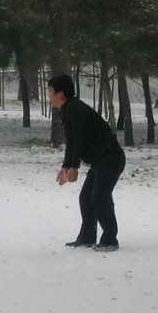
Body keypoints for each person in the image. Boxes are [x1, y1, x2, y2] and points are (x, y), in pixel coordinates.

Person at [48, 74, 126, 251]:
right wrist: (66, 167)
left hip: (111, 159)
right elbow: (72, 142)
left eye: (50, 92)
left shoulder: (76, 111)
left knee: (99, 196)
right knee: (86, 197)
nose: (49, 96)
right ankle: (87, 237)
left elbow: (80, 140)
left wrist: (74, 167)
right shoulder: (68, 111)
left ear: (61, 93)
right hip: (100, 161)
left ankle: (110, 240)